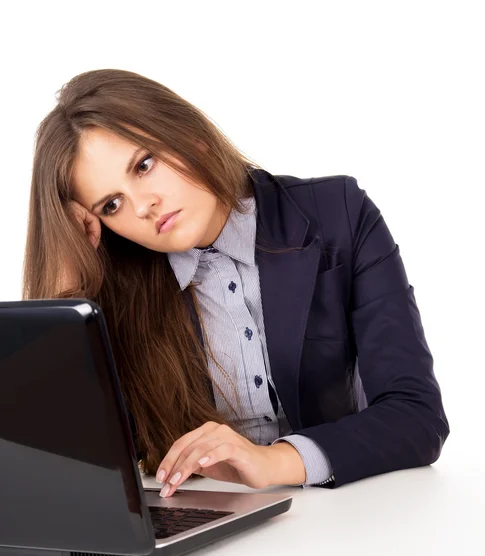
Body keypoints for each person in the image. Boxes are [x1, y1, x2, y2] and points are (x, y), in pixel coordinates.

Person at [23, 68, 449, 498]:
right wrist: (65, 289)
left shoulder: (339, 214)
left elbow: (416, 414)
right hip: (203, 530)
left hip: (347, 515)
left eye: (144, 165)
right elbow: (55, 465)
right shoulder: (115, 283)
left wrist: (271, 462)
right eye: (111, 204)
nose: (142, 206)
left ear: (190, 135)